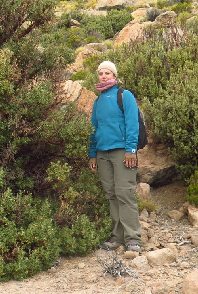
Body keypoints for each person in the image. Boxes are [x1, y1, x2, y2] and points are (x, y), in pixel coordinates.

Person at [88, 61, 142, 253]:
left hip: (122, 152)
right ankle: (117, 237)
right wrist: (92, 154)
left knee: (125, 193)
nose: (103, 76)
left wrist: (131, 150)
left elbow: (132, 123)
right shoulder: (97, 101)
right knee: (111, 195)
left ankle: (133, 238)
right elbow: (94, 129)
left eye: (107, 73)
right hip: (103, 153)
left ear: (115, 76)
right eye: (101, 73)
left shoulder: (124, 95)